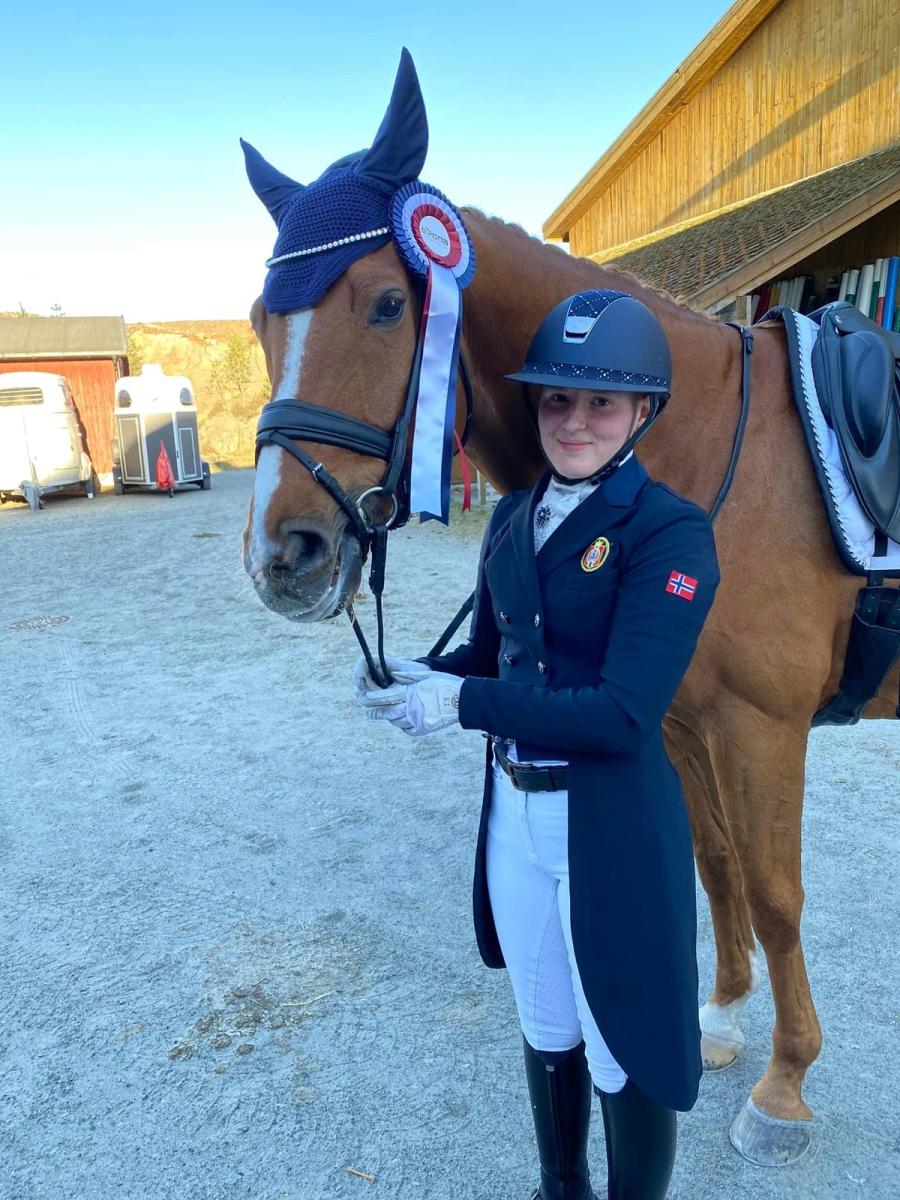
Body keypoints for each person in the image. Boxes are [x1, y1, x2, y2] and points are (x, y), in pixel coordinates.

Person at [355, 288, 720, 1199]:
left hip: (605, 824)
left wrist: (461, 704)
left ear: (643, 411)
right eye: (557, 398)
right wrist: (416, 673)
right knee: (546, 1020)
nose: (575, 421)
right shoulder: (515, 517)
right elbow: (493, 656)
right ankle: (560, 1188)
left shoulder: (669, 531)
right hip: (513, 817)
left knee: (619, 1043)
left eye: (602, 402)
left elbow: (623, 713)